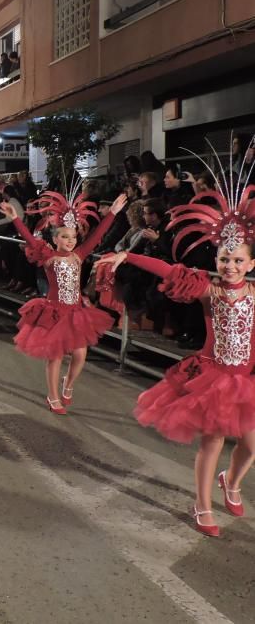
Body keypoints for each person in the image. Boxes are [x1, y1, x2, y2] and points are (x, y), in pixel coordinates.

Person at [99, 158, 255, 537]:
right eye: (224, 259)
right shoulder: (210, 290)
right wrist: (127, 255)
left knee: (250, 446)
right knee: (212, 441)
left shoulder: (254, 292)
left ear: (251, 263)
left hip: (246, 378)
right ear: (216, 259)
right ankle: (202, 506)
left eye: (238, 260)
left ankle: (230, 482)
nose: (230, 265)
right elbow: (170, 271)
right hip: (214, 376)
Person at [0, 190, 127, 414]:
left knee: (80, 354)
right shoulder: (49, 256)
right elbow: (29, 238)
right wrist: (15, 218)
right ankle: (53, 396)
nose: (70, 241)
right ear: (55, 238)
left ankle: (68, 384)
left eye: (74, 237)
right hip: (55, 312)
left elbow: (97, 236)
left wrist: (113, 212)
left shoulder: (79, 255)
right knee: (55, 356)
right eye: (65, 237)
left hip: (76, 312)